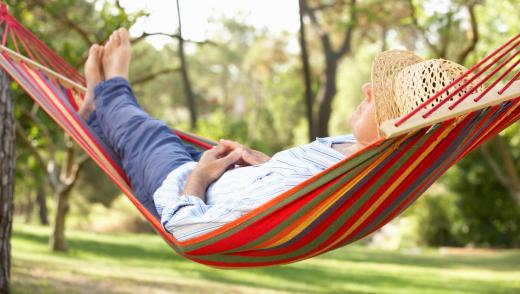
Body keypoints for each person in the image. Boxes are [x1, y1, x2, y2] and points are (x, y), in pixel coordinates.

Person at [80, 28, 475, 241]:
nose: (366, 89)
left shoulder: (346, 182)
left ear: (396, 129)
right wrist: (265, 163)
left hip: (182, 191)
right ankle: (95, 113)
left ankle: (111, 87)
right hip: (224, 175)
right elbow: (291, 190)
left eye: (381, 98)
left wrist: (199, 175)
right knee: (150, 135)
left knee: (148, 135)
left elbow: (188, 230)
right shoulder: (352, 159)